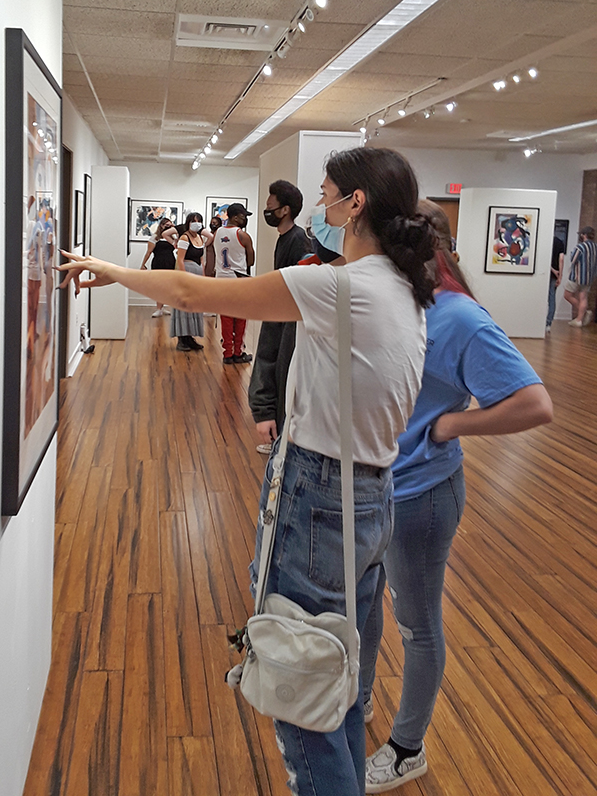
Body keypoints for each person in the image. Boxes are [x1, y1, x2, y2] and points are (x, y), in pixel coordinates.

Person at [57, 146, 437, 796]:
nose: (319, 205)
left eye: (326, 194)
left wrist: (111, 270)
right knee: (335, 680)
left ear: (356, 204)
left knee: (300, 701)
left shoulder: (342, 287)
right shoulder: (406, 292)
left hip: (320, 499)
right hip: (372, 497)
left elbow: (190, 291)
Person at [361, 200, 553, 794]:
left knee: (416, 626)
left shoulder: (461, 318)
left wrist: (448, 426)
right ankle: (358, 700)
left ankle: (406, 748)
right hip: (375, 487)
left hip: (423, 495)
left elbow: (533, 402)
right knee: (366, 603)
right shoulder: (396, 305)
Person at [248, 180, 311, 454]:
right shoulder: (285, 238)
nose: (267, 211)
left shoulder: (298, 240)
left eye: (270, 207)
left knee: (284, 373)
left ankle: (282, 437)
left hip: (289, 321)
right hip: (280, 315)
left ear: (285, 210)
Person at [213, 202, 256, 364]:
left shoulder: (217, 233)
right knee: (240, 318)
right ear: (236, 217)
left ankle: (227, 354)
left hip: (222, 280)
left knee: (226, 318)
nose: (245, 219)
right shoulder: (243, 235)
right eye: (244, 216)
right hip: (239, 281)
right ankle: (238, 352)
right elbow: (251, 261)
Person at [170, 212, 207, 351]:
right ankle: (182, 339)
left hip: (197, 272)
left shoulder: (200, 238)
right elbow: (180, 259)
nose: (196, 223)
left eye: (199, 221)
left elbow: (202, 259)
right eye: (193, 221)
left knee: (194, 306)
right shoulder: (184, 238)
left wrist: (203, 276)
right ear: (188, 222)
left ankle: (190, 337)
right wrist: (184, 277)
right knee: (183, 305)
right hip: (187, 271)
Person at [139, 217, 177, 317]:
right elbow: (149, 252)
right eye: (166, 225)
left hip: (170, 262)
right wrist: (143, 264)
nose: (167, 227)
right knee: (159, 286)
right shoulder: (155, 237)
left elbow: (178, 245)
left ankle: (162, 307)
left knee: (168, 287)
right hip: (159, 263)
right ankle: (158, 308)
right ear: (161, 225)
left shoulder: (172, 238)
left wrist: (174, 228)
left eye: (170, 225)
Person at [563, 225, 597, 327]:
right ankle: (580, 319)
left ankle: (583, 314)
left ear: (584, 235)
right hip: (589, 277)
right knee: (583, 297)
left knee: (567, 295)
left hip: (576, 276)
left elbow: (573, 260)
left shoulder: (580, 247)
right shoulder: (595, 247)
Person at [546, 232, 565, 333]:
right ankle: (548, 323)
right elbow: (561, 259)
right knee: (552, 298)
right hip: (555, 275)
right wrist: (560, 276)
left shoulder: (545, 241)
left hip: (544, 274)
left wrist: (552, 270)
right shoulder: (559, 242)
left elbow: (545, 260)